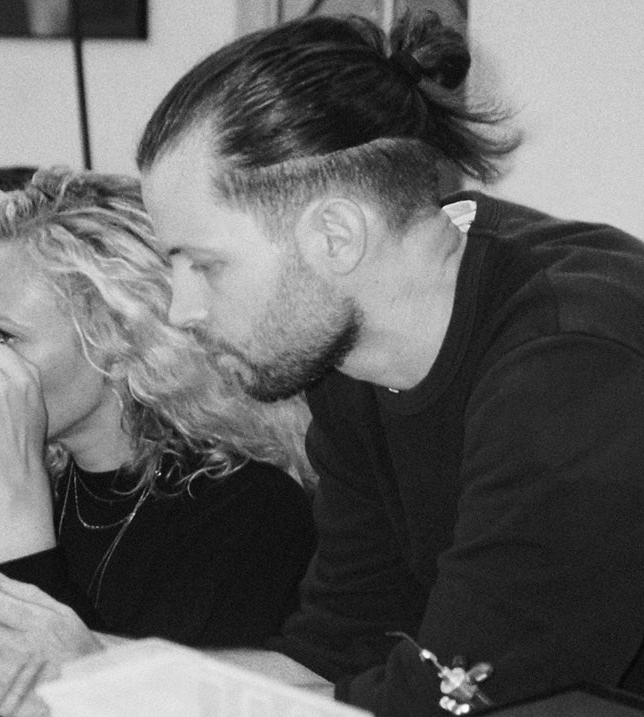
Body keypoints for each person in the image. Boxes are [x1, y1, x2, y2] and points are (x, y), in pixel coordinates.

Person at [126, 9, 644, 717]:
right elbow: (339, 648)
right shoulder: (353, 361)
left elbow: (450, 699)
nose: (180, 309)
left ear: (336, 236)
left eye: (205, 264)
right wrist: (99, 672)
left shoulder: (572, 370)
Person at [0, 167, 316, 707]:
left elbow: (56, 701)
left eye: (4, 336)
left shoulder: (247, 511)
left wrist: (19, 495)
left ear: (118, 339)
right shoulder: (43, 472)